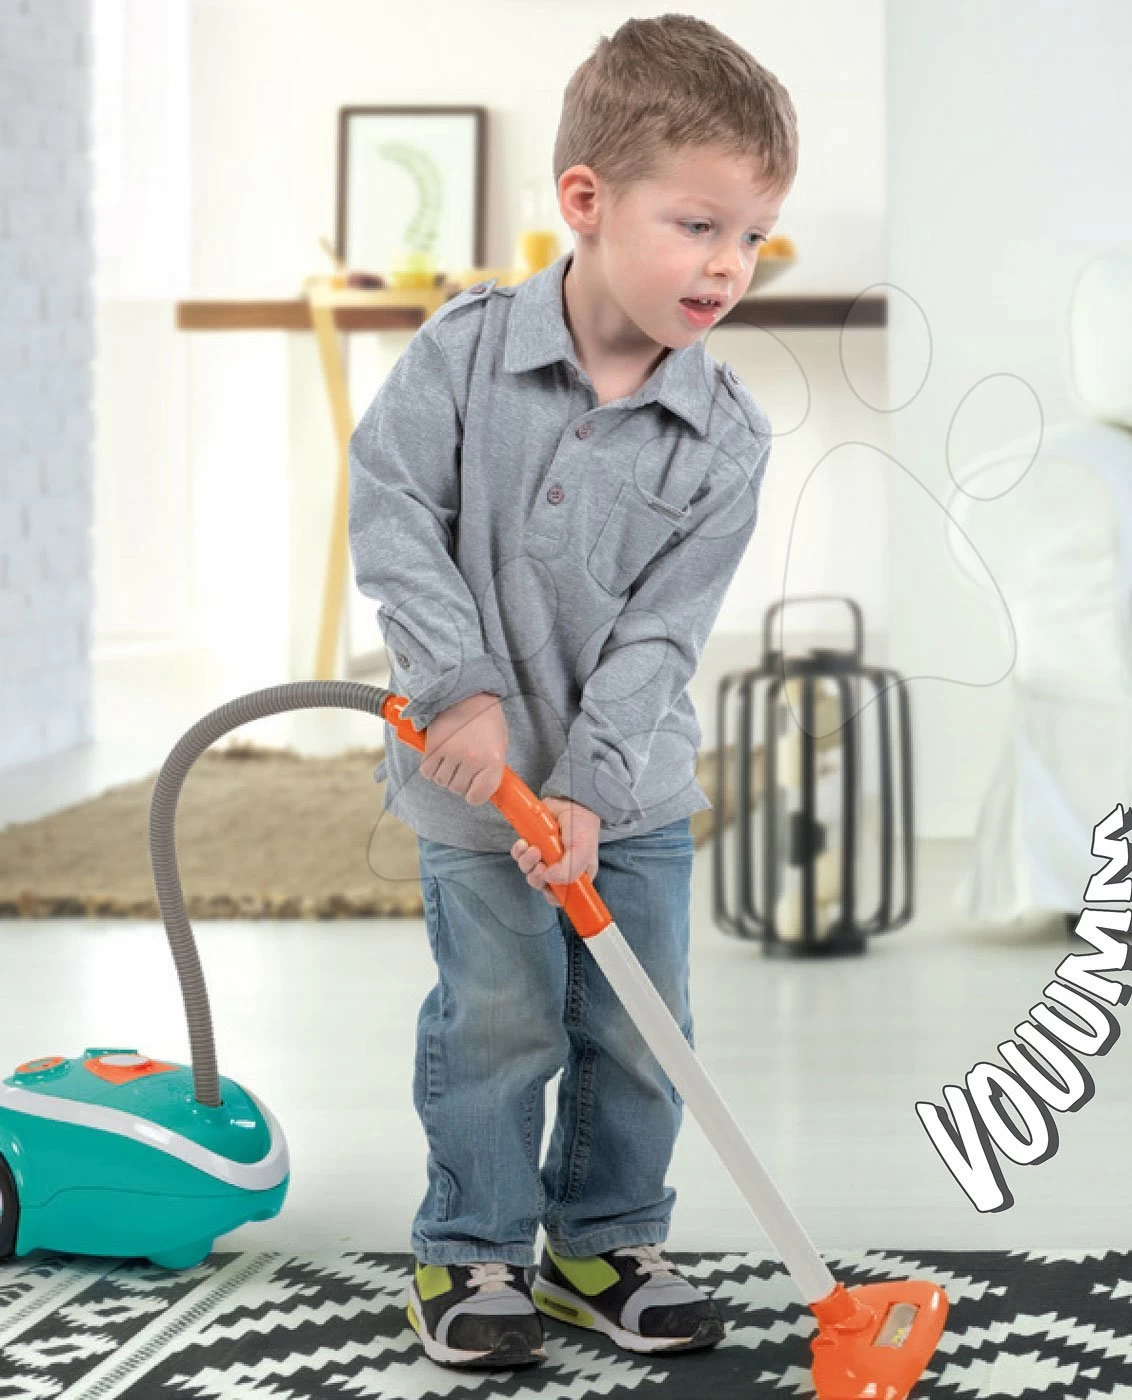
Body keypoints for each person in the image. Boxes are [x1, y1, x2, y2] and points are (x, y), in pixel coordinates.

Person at [347, 11, 797, 1373]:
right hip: (475, 794)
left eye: (752, 236)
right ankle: (472, 1251)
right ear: (587, 202)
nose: (726, 264)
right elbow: (392, 513)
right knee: (499, 1024)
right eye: (697, 225)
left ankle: (606, 1244)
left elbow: (663, 635)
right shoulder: (462, 356)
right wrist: (457, 688)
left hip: (631, 798)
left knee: (638, 1031)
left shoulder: (725, 439)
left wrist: (595, 790)